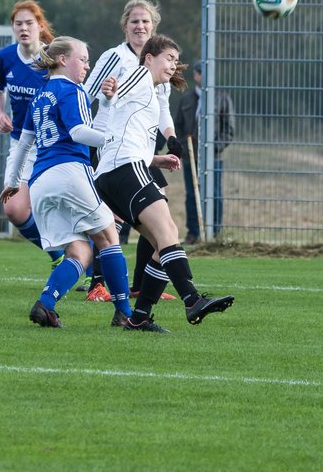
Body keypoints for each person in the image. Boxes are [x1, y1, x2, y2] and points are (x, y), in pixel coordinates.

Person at [96, 35, 235, 331]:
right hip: (124, 169)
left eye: (176, 60)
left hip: (116, 171)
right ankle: (192, 300)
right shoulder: (139, 75)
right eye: (169, 58)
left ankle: (140, 316)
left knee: (162, 242)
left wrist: (163, 150)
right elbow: (117, 93)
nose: (173, 65)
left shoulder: (154, 90)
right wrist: (110, 92)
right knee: (169, 231)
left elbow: (137, 125)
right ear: (149, 58)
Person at [0, 37, 133, 329]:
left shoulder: (40, 95)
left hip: (40, 182)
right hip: (69, 172)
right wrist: (114, 140)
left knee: (80, 252)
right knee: (109, 238)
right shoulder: (72, 89)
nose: (87, 65)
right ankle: (125, 313)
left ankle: (46, 305)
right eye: (83, 59)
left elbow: (24, 144)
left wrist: (12, 182)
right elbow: (79, 133)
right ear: (62, 60)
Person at [83, 0, 180, 301]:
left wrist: (172, 135)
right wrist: (87, 138)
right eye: (134, 21)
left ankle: (140, 285)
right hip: (112, 148)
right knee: (110, 217)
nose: (140, 26)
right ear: (125, 25)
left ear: (154, 27)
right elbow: (87, 94)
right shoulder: (115, 56)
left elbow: (163, 106)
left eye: (145, 21)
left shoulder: (161, 62)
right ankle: (98, 283)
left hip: (141, 149)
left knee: (158, 210)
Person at [0, 0, 62, 263]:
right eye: (18, 23)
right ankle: (59, 255)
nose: (23, 28)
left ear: (40, 26)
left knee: (64, 210)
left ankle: (90, 268)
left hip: (55, 146)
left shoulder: (54, 59)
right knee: (14, 209)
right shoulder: (5, 57)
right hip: (21, 144)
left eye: (29, 23)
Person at [174, 63, 235, 243]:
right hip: (190, 158)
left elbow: (229, 130)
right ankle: (193, 233)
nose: (205, 77)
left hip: (213, 158)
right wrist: (185, 147)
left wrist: (214, 147)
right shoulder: (186, 98)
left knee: (215, 193)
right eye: (201, 73)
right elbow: (177, 125)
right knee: (192, 194)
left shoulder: (222, 98)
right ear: (196, 75)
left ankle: (215, 234)